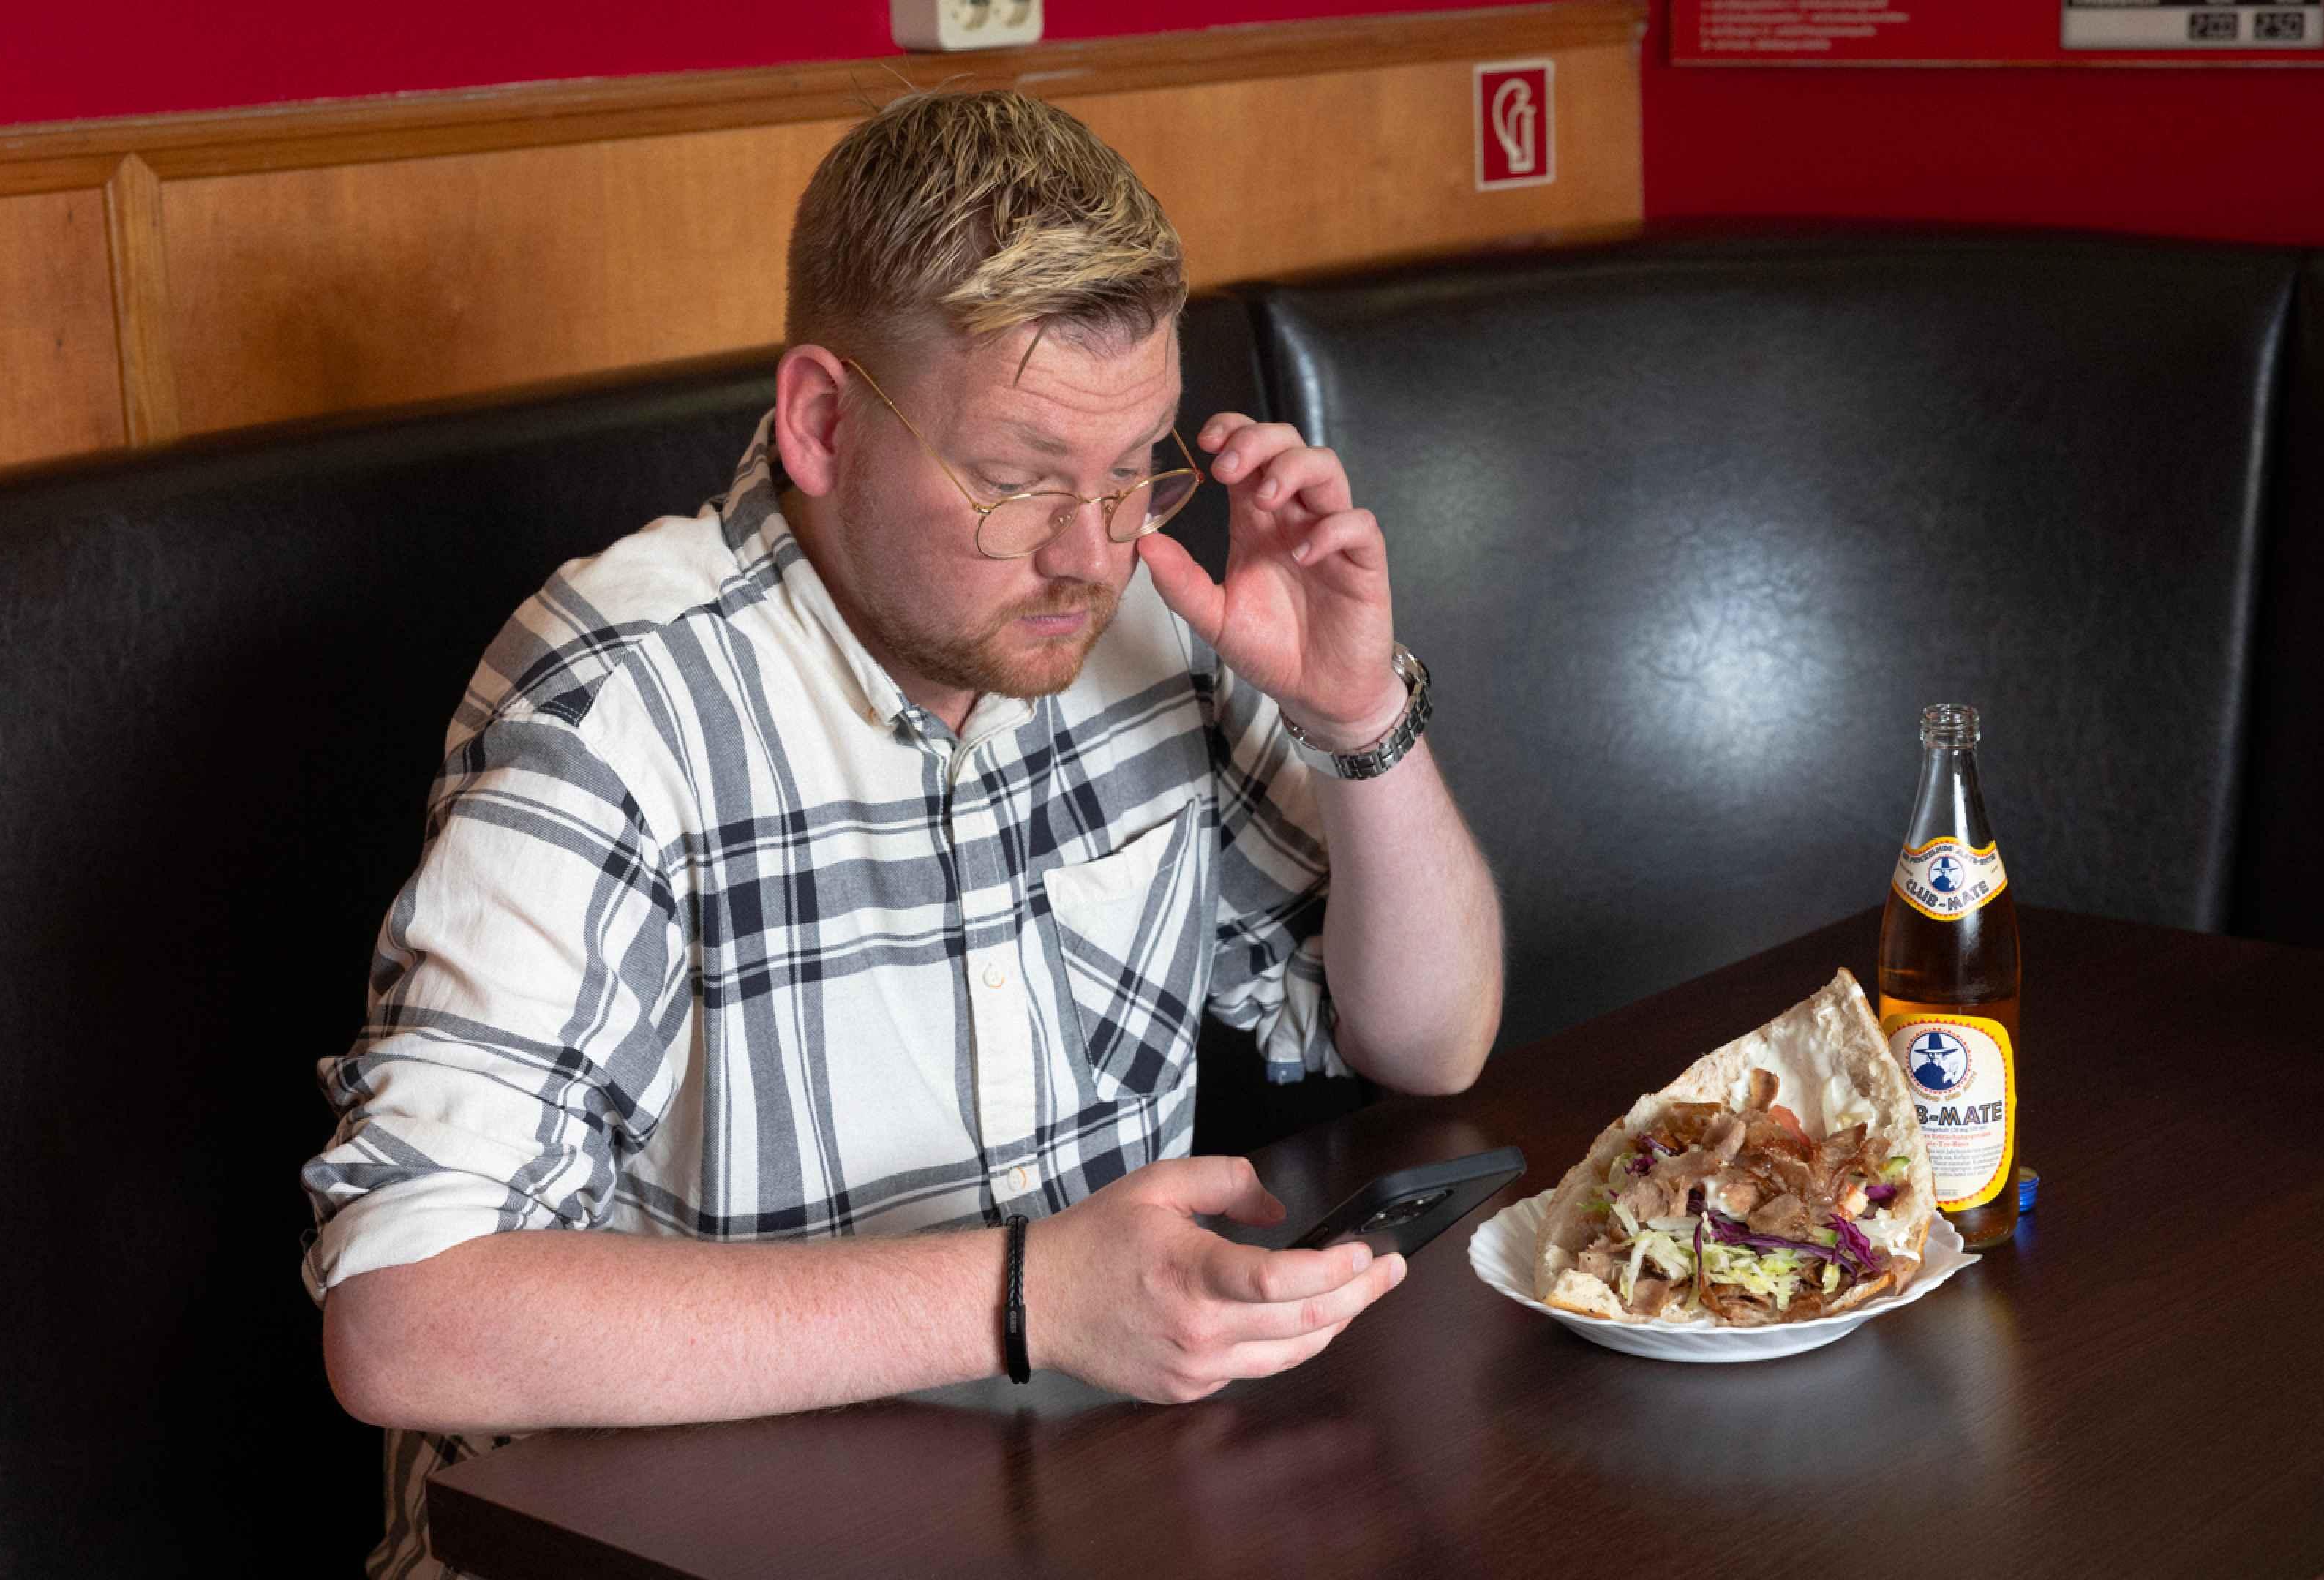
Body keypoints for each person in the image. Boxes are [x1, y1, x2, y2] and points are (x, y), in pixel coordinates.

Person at [302, 88, 1503, 1579]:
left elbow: (1432, 1043)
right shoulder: (624, 700)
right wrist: (1026, 1301)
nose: (1093, 549)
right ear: (820, 421)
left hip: (1055, 1503)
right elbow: (405, 1319)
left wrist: (1356, 718)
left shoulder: (1133, 616)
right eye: (1017, 483)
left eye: (1135, 469)